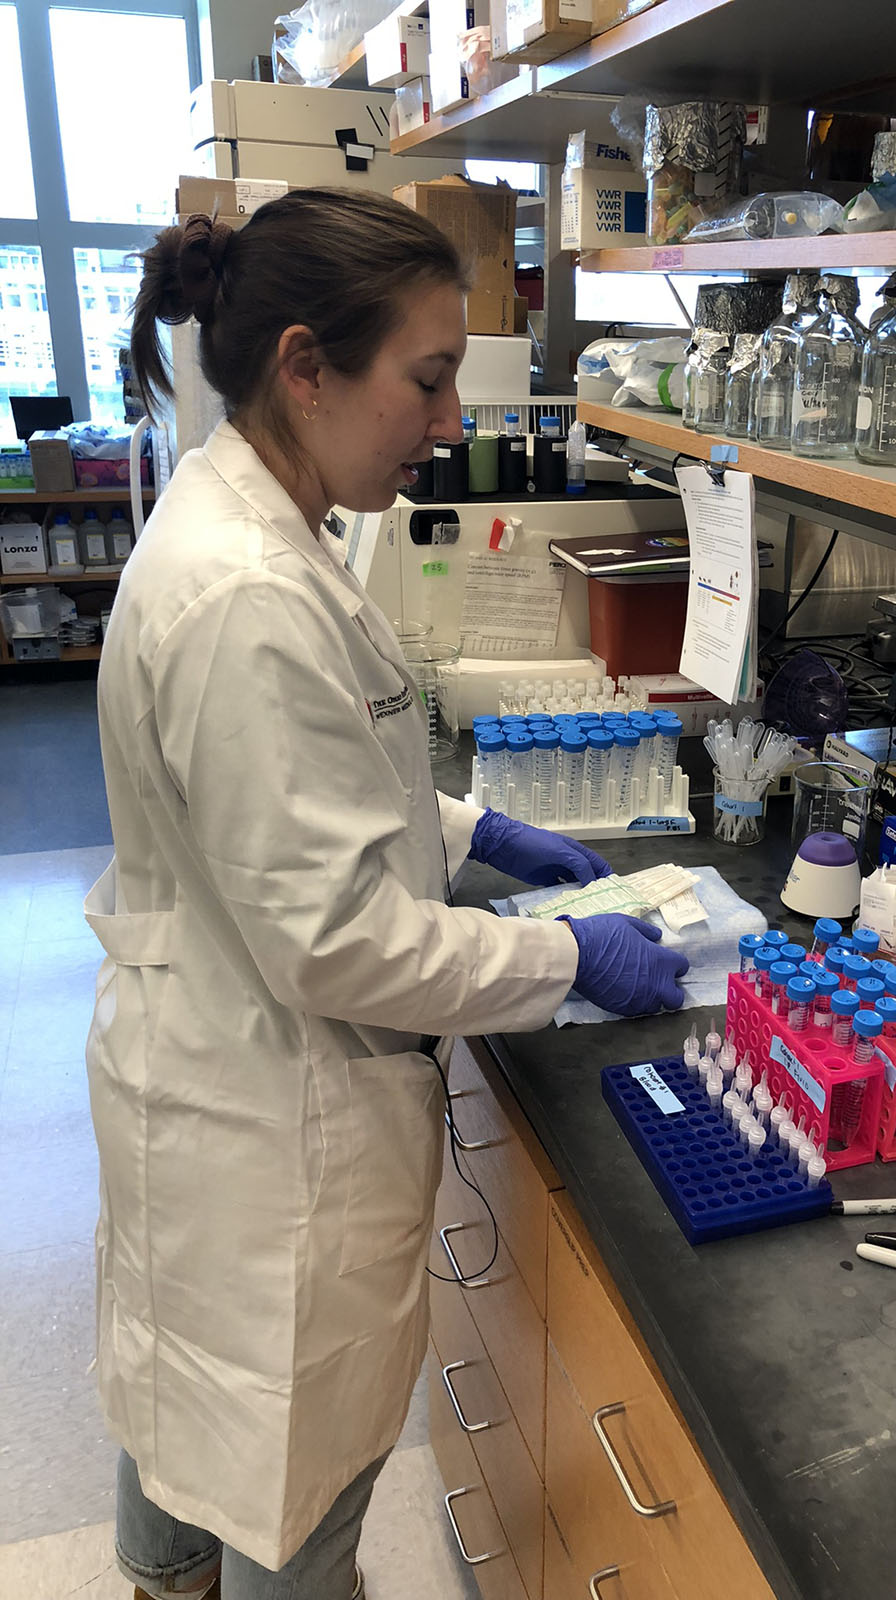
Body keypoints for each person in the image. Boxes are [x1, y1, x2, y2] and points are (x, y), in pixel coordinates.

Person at [85, 188, 689, 1600]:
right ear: (306, 366)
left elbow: (310, 785)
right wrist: (564, 961)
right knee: (295, 1506)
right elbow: (340, 941)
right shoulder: (248, 591)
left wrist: (480, 833)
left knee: (190, 1431)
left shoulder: (262, 521)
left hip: (203, 1074)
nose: (443, 421)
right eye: (425, 379)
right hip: (267, 1123)